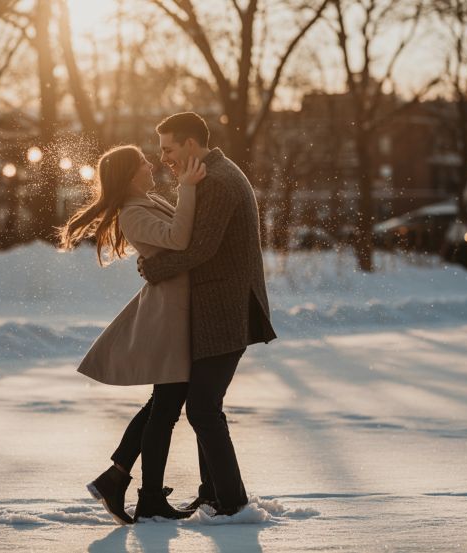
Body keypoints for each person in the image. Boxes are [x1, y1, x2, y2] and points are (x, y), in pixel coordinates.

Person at [137, 112, 277, 516]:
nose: (163, 157)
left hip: (225, 310)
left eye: (168, 148)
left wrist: (155, 269)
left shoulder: (216, 181)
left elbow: (200, 248)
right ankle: (214, 494)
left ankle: (231, 503)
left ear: (191, 145)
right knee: (204, 406)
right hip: (219, 308)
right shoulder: (210, 175)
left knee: (202, 408)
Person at [58, 144, 206, 524]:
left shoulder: (148, 201)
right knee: (166, 407)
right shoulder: (134, 213)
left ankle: (119, 479)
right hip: (167, 318)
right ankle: (146, 495)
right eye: (143, 162)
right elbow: (178, 238)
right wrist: (187, 187)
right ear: (129, 173)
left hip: (177, 312)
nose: (150, 164)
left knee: (163, 404)